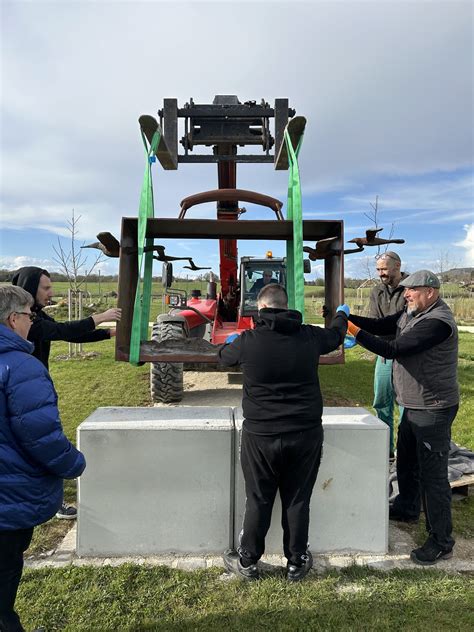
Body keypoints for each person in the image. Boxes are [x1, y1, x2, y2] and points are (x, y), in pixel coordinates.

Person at [219, 284, 348, 581]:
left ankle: (248, 561)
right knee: (298, 498)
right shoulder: (310, 335)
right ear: (287, 306)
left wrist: (234, 341)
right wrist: (340, 315)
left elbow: (224, 357)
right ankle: (296, 562)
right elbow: (337, 335)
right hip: (304, 434)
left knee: (259, 499)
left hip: (260, 436)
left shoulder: (248, 341)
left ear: (260, 308)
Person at [347, 270, 459, 565]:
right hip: (414, 404)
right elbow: (382, 325)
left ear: (431, 292)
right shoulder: (411, 313)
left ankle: (441, 540)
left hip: (433, 407)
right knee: (406, 459)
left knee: (434, 476)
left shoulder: (437, 323)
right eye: (406, 289)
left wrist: (352, 331)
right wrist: (349, 319)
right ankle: (407, 507)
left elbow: (393, 348)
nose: (406, 294)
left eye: (412, 290)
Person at [0, 286, 86, 632]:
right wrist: (74, 464)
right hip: (8, 497)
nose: (31, 322)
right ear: (13, 319)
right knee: (4, 574)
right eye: (29, 316)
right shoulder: (21, 367)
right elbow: (41, 435)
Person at [12, 266, 120, 519]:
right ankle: (45, 500)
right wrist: (100, 317)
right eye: (46, 288)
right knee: (38, 442)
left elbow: (69, 333)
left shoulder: (34, 314)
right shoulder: (25, 320)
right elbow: (61, 331)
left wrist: (108, 333)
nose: (51, 292)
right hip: (24, 391)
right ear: (30, 288)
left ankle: (43, 496)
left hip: (35, 386)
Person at [368, 252, 408, 457]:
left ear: (397, 266)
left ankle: (405, 450)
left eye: (384, 269)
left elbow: (410, 325)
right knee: (382, 400)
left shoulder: (411, 289)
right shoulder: (377, 291)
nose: (380, 273)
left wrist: (383, 328)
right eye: (378, 269)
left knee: (405, 403)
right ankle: (385, 452)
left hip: (406, 356)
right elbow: (374, 322)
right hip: (383, 354)